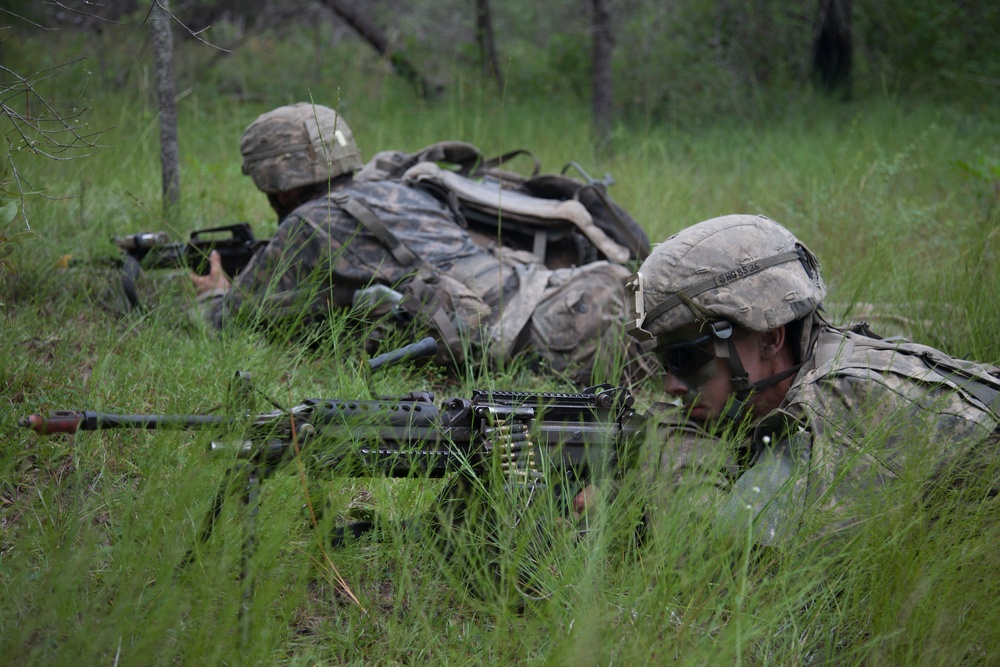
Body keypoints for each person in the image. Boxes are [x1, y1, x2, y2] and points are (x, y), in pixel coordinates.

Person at [192, 102, 650, 385]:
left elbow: (233, 322)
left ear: (276, 181)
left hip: (550, 335)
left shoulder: (307, 227)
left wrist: (213, 294)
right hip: (579, 290)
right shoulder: (403, 189)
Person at [619, 213, 999, 544]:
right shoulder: (775, 395)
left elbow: (735, 570)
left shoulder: (841, 398)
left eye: (686, 357)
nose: (671, 385)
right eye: (664, 361)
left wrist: (676, 444)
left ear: (769, 337)